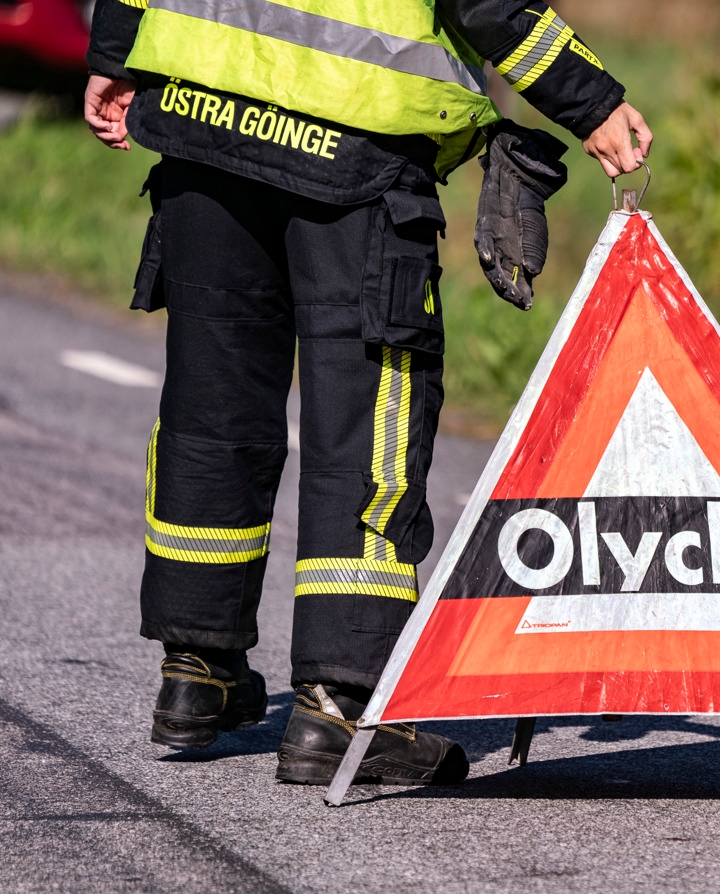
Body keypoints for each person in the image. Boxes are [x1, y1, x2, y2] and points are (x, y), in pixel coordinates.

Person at [84, 0, 651, 787]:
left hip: (200, 119)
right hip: (355, 149)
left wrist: (114, 54)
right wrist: (590, 99)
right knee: (366, 423)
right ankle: (339, 705)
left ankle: (197, 666)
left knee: (211, 409)